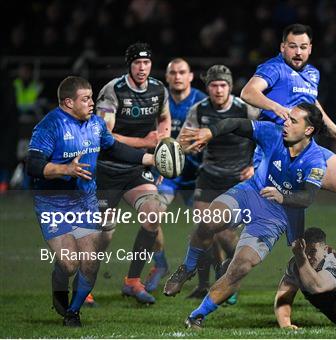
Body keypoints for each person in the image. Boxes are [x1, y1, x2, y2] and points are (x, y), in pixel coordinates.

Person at [165, 103, 327, 328]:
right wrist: (211, 132)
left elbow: (308, 197)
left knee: (240, 267)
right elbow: (235, 124)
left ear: (308, 130)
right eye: (287, 118)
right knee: (208, 222)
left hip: (275, 218)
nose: (286, 123)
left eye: (293, 120)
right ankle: (188, 267)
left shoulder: (316, 159)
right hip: (250, 193)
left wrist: (282, 196)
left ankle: (197, 315)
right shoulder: (273, 133)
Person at [240, 23, 336, 258]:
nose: (298, 52)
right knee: (264, 227)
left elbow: (313, 105)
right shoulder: (274, 68)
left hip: (307, 150)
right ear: (282, 47)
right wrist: (277, 108)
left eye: (303, 47)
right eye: (292, 46)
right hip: (276, 151)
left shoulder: (312, 74)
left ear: (310, 49)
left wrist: (333, 128)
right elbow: (248, 92)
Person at [26, 76, 155, 326]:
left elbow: (114, 148)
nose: (92, 103)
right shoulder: (49, 126)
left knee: (91, 262)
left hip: (85, 201)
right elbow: (32, 165)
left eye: (92, 97)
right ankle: (59, 285)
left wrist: (146, 159)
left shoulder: (95, 124)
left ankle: (73, 312)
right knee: (69, 263)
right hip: (53, 203)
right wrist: (65, 170)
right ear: (67, 102)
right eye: (85, 99)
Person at [95, 42, 171, 304]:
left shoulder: (159, 89)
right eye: (137, 63)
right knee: (104, 234)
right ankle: (86, 285)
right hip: (109, 169)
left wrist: (161, 152)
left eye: (147, 62)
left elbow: (163, 120)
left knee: (153, 214)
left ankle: (132, 281)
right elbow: (105, 137)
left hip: (138, 169)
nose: (142, 68)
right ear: (129, 64)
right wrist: (146, 145)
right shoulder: (113, 91)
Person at [178, 64, 259, 300]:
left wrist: (255, 165)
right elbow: (184, 141)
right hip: (209, 176)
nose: (218, 90)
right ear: (208, 88)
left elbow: (265, 138)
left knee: (225, 235)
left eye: (223, 85)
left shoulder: (245, 109)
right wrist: (191, 145)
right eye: (214, 85)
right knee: (205, 229)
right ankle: (209, 283)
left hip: (237, 180)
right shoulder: (199, 110)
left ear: (230, 87)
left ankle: (231, 279)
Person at [144, 58, 207, 294]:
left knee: (208, 228)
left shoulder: (202, 101)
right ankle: (160, 265)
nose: (178, 76)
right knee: (150, 217)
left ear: (190, 76)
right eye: (173, 73)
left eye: (182, 72)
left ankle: (206, 282)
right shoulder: (158, 101)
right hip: (166, 175)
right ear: (167, 77)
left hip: (196, 175)